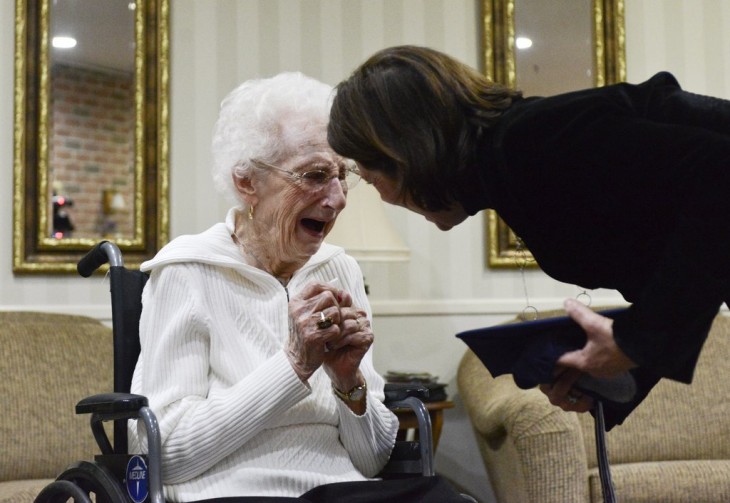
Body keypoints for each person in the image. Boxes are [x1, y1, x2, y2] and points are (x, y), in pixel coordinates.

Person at [327, 45, 730, 429]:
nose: (384, 196)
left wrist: (636, 342)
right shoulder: (515, 160)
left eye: (368, 176)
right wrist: (621, 377)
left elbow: (719, 173)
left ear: (404, 154)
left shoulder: (529, 140)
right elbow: (690, 248)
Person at [129, 72, 467, 502]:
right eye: (314, 175)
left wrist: (348, 382)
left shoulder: (338, 268)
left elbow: (373, 459)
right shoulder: (187, 270)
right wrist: (294, 365)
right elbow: (164, 453)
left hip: (343, 491)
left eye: (342, 175)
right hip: (238, 494)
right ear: (246, 182)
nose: (339, 197)